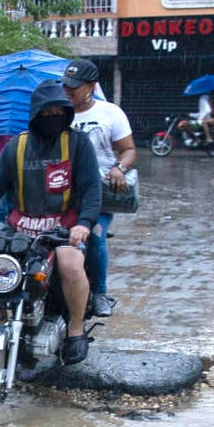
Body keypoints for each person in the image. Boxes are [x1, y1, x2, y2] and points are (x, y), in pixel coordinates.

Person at [0, 79, 101, 365]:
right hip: (20, 227)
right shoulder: (17, 146)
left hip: (62, 229)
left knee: (70, 266)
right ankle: (2, 323)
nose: (53, 119)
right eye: (47, 113)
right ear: (35, 115)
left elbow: (92, 188)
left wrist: (84, 223)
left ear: (67, 114)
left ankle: (76, 330)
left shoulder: (78, 144)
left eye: (59, 113)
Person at [61, 59, 136, 318]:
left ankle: (100, 292)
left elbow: (128, 150)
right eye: (65, 85)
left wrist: (119, 169)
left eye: (75, 86)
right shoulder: (57, 113)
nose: (68, 91)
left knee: (94, 236)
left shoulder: (110, 113)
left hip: (99, 192)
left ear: (91, 86)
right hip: (62, 191)